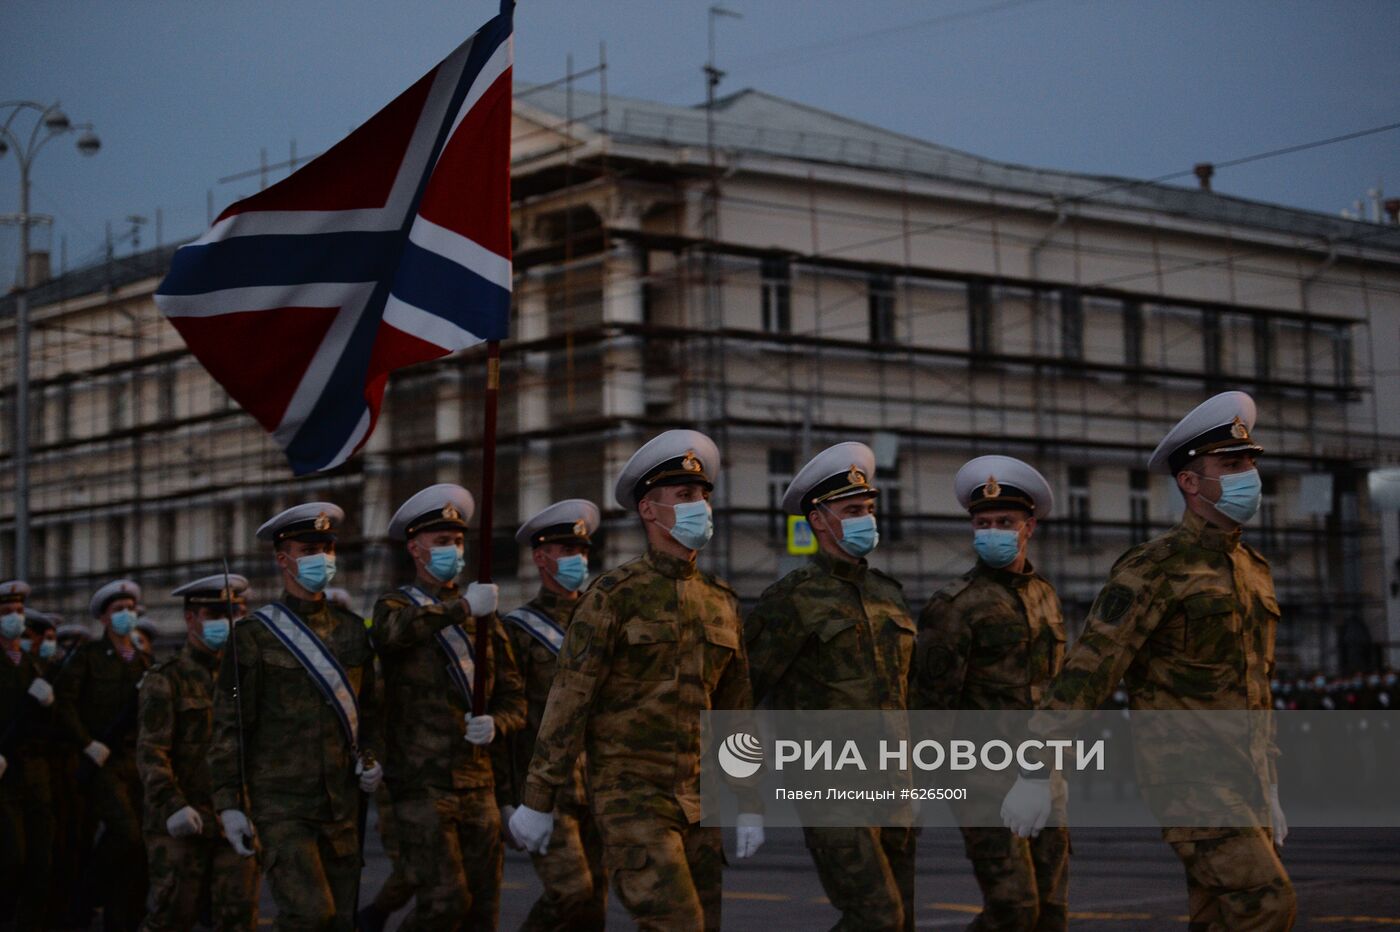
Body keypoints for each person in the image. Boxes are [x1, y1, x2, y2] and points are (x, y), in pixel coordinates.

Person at [1001, 391, 1295, 931]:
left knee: (1218, 918)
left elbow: (1257, 685)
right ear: (1190, 481)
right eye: (1230, 465)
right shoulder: (1153, 568)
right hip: (1189, 775)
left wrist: (1270, 781)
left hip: (1244, 772)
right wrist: (1035, 768)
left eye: (1250, 462)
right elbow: (1091, 669)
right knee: (1267, 901)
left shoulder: (1253, 568)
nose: (1247, 475)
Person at [509, 430, 765, 932]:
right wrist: (538, 800)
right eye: (686, 497)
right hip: (631, 799)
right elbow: (568, 701)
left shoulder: (721, 599)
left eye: (704, 496)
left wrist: (747, 798)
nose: (702, 507)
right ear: (649, 510)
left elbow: (736, 710)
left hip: (700, 801)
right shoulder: (613, 596)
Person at [745, 442, 917, 932]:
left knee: (899, 921)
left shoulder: (889, 593)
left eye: (868, 509)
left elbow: (908, 691)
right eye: (852, 510)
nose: (866, 519)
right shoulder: (792, 599)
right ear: (818, 521)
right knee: (877, 916)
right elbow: (738, 695)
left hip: (897, 785)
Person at [209, 503, 384, 932]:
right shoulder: (252, 637)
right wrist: (229, 803)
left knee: (340, 920)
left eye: (326, 548)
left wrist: (372, 757)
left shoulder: (351, 630)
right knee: (309, 915)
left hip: (341, 802)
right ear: (282, 558)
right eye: (309, 549)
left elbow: (371, 710)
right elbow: (229, 724)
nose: (322, 558)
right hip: (281, 806)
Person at [913, 455, 1069, 931]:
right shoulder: (954, 606)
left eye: (1005, 522)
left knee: (1051, 911)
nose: (993, 531)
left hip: (1047, 780)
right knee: (1013, 908)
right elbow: (931, 705)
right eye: (983, 523)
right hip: (985, 783)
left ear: (1029, 527)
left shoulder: (1044, 594)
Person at [369, 484, 525, 932]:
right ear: (416, 550)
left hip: (478, 784)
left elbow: (514, 696)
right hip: (421, 786)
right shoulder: (395, 605)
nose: (453, 550)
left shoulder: (486, 617)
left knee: (482, 910)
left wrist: (497, 723)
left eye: (458, 542)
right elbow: (392, 634)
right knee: (444, 902)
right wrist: (460, 609)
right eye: (442, 542)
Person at [498, 499, 608, 931]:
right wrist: (508, 800)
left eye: (582, 551)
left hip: (598, 784)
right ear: (541, 557)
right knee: (572, 893)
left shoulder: (601, 621)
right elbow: (509, 717)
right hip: (546, 789)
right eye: (567, 551)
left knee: (594, 903)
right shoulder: (519, 630)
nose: (578, 560)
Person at [137, 573, 260, 932]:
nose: (228, 623)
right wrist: (172, 805)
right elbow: (150, 753)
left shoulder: (245, 677)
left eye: (235, 613)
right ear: (191, 619)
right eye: (216, 614)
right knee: (171, 917)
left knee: (238, 919)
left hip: (236, 819)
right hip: (182, 822)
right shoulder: (167, 679)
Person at [55, 578, 151, 932]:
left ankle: (122, 914)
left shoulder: (144, 660)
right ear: (104, 619)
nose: (126, 615)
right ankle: (85, 893)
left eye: (130, 609)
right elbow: (63, 705)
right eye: (118, 610)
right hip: (102, 761)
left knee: (139, 844)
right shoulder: (89, 657)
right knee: (126, 834)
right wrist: (85, 742)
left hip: (136, 761)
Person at [0, 580, 58, 932]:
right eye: (7, 613)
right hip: (4, 773)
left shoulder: (33, 663)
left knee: (42, 858)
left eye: (19, 612)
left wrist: (48, 706)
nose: (16, 619)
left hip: (36, 769)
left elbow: (48, 725)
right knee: (12, 856)